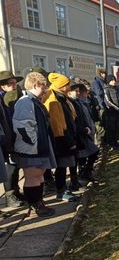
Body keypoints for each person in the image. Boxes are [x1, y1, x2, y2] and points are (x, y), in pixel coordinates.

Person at [12, 72, 56, 216]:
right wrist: (34, 143)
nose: (45, 90)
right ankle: (35, 206)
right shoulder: (25, 102)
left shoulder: (35, 101)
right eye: (43, 87)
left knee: (39, 176)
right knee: (32, 176)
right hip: (31, 148)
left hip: (39, 147)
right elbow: (23, 126)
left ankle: (39, 202)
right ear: (36, 85)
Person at [43, 73, 80, 202]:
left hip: (67, 136)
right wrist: (68, 140)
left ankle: (63, 188)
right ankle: (61, 190)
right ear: (61, 86)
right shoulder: (53, 99)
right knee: (62, 165)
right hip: (60, 138)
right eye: (67, 84)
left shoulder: (62, 97)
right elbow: (56, 123)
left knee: (65, 164)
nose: (69, 87)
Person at [0, 70, 25, 207]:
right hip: (5, 137)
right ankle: (10, 196)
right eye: (10, 84)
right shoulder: (2, 99)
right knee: (9, 167)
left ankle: (16, 191)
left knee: (15, 166)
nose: (14, 86)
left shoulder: (13, 97)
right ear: (2, 86)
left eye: (15, 83)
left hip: (12, 135)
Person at [72, 81, 100, 182]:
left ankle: (86, 172)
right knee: (86, 154)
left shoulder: (84, 103)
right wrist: (85, 128)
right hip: (81, 133)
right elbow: (79, 119)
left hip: (87, 131)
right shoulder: (76, 104)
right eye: (86, 93)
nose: (87, 95)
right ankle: (83, 172)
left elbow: (89, 117)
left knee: (91, 152)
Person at [103, 75, 119, 150]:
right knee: (111, 128)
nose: (114, 82)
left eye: (114, 80)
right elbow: (108, 101)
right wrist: (117, 108)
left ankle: (116, 141)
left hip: (118, 112)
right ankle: (111, 143)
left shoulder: (118, 89)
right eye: (112, 80)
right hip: (111, 112)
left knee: (118, 127)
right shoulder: (106, 89)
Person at [91, 68, 107, 145]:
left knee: (105, 123)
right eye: (103, 73)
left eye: (105, 73)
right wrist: (105, 90)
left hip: (104, 104)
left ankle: (104, 140)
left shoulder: (103, 81)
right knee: (102, 124)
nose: (105, 75)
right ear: (100, 73)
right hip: (101, 105)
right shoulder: (96, 82)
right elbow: (98, 93)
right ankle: (100, 142)